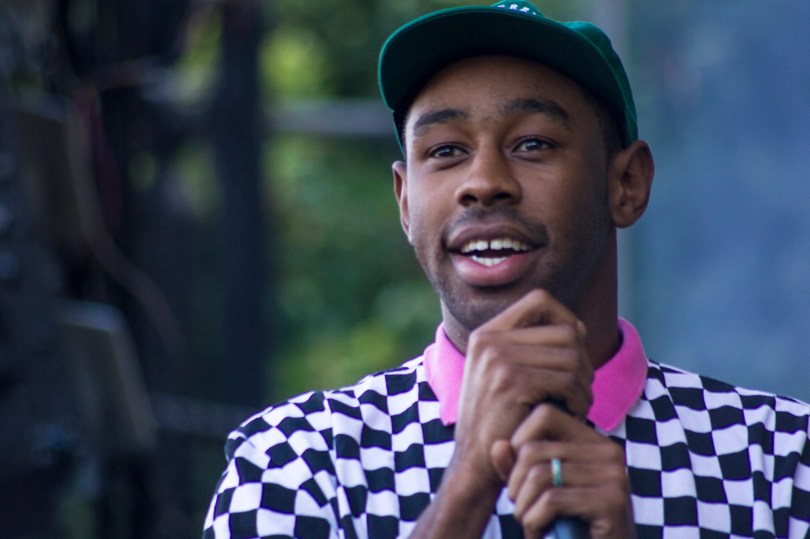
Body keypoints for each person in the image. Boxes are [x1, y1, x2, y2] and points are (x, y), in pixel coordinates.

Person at [202, 1, 810, 537]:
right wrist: (466, 487)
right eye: (446, 151)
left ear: (626, 183)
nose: (484, 182)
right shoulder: (297, 462)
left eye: (532, 144)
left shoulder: (778, 463)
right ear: (405, 202)